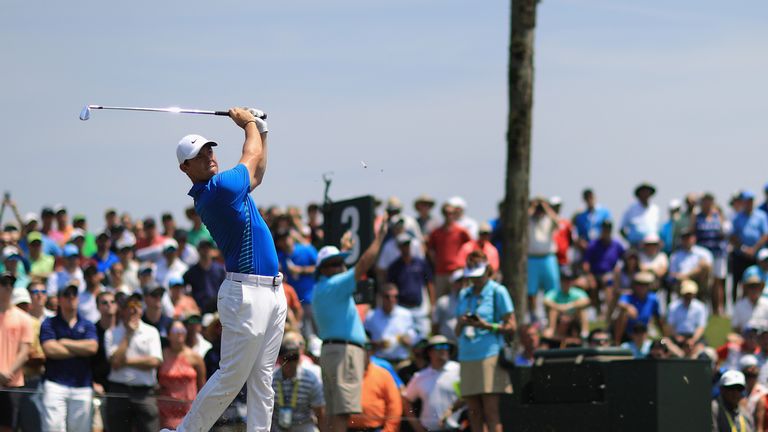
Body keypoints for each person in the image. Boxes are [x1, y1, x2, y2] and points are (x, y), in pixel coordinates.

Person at [172, 107, 287, 432]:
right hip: (246, 293)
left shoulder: (226, 187)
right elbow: (250, 157)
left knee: (262, 378)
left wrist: (262, 130)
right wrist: (248, 123)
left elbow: (257, 173)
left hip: (272, 291)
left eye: (209, 150)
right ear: (185, 167)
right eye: (198, 155)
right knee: (231, 378)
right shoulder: (219, 189)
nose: (208, 156)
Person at [312, 222, 387, 432]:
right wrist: (380, 237)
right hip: (343, 353)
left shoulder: (323, 287)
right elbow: (363, 264)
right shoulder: (335, 285)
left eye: (340, 263)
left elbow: (343, 272)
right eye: (334, 263)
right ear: (323, 269)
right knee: (341, 413)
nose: (339, 267)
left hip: (332, 352)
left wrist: (344, 252)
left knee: (333, 412)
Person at [454, 259, 516, 432]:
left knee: (491, 412)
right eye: (472, 276)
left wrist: (486, 326)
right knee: (474, 413)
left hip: (490, 355)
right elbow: (457, 332)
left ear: (487, 271)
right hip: (466, 355)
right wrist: (462, 322)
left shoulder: (498, 291)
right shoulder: (464, 294)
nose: (475, 280)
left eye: (478, 276)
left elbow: (512, 326)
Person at [39, 283, 99, 432]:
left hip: (82, 385)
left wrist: (65, 342)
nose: (71, 298)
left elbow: (92, 348)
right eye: (66, 295)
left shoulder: (88, 324)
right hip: (55, 384)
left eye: (74, 295)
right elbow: (50, 349)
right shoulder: (49, 323)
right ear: (59, 300)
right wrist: (80, 350)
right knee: (52, 428)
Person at [403, 335, 462, 432]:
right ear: (429, 352)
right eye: (438, 347)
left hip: (458, 428)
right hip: (429, 429)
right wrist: (416, 426)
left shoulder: (459, 370)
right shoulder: (420, 376)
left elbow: (469, 396)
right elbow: (406, 400)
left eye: (446, 346)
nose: (443, 350)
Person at [158, 320, 206, 430]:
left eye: (182, 330)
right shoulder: (162, 355)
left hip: (189, 409)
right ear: (168, 335)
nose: (180, 333)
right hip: (165, 411)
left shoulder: (195, 358)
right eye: (176, 330)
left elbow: (202, 386)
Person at [0, 273, 33, 432]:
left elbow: (24, 351)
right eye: (3, 283)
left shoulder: (24, 318)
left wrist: (7, 373)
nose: (8, 287)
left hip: (12, 383)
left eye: (11, 284)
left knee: (9, 427)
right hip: (7, 379)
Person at [271, 338, 325, 432]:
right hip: (277, 426)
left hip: (304, 425)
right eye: (287, 358)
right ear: (279, 360)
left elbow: (319, 412)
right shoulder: (271, 379)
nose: (292, 363)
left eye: (294, 357)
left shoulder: (311, 379)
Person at [347, 341, 402, 432]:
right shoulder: (344, 375)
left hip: (376, 429)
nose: (362, 353)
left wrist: (389, 430)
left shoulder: (383, 374)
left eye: (367, 349)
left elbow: (394, 405)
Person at [387, 233, 434, 337]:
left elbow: (429, 283)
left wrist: (432, 304)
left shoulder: (420, 263)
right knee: (403, 338)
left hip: (419, 309)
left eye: (407, 244)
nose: (406, 247)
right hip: (401, 309)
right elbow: (390, 288)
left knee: (423, 338)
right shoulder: (394, 267)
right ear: (399, 247)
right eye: (403, 245)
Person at [364, 284, 422, 365]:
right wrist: (376, 344)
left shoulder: (406, 314)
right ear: (381, 297)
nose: (391, 299)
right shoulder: (371, 316)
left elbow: (415, 337)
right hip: (380, 362)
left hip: (402, 362)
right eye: (387, 297)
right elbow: (365, 340)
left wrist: (408, 340)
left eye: (395, 296)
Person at [731, 190, 768, 304]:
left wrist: (754, 249)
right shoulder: (737, 217)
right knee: (738, 282)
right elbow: (733, 236)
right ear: (743, 202)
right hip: (740, 255)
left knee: (755, 280)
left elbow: (765, 234)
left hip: (756, 255)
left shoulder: (761, 215)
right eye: (747, 201)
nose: (749, 203)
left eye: (751, 201)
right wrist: (744, 248)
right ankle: (737, 306)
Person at [527, 196, 560, 321]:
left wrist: (546, 206)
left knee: (552, 290)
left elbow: (558, 222)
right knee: (531, 291)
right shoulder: (529, 220)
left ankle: (550, 316)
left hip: (548, 258)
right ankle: (533, 317)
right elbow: (522, 221)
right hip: (532, 259)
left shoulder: (548, 219)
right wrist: (533, 206)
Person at [695, 193, 729, 315]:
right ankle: (704, 308)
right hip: (703, 253)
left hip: (718, 253)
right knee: (704, 281)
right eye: (705, 201)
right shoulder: (697, 217)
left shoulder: (718, 215)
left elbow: (724, 232)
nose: (707, 203)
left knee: (718, 282)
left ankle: (718, 308)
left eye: (709, 201)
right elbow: (693, 232)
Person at [428, 203, 471, 298]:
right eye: (446, 213)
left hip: (456, 271)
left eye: (451, 213)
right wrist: (436, 262)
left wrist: (463, 263)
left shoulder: (461, 231)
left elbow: (470, 247)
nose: (448, 215)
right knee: (440, 300)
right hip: (440, 272)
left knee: (458, 298)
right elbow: (430, 249)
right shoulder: (436, 232)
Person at [582, 219, 624, 316]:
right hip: (594, 274)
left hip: (610, 275)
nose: (606, 232)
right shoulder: (593, 244)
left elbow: (626, 258)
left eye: (608, 229)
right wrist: (590, 276)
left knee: (608, 282)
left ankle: (608, 313)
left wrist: (617, 271)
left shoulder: (616, 245)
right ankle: (597, 311)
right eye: (604, 229)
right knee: (586, 285)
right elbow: (586, 264)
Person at [613, 272, 664, 345]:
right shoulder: (628, 296)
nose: (642, 287)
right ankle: (617, 342)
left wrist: (664, 335)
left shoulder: (653, 299)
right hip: (627, 332)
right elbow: (620, 303)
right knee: (623, 314)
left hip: (643, 331)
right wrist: (628, 307)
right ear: (634, 285)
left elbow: (658, 318)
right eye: (639, 284)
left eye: (645, 284)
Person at [543, 269, 590, 340]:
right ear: (560, 281)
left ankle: (585, 332)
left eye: (568, 280)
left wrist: (569, 306)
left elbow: (586, 301)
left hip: (573, 316)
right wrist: (559, 307)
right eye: (564, 280)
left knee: (582, 310)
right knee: (553, 311)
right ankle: (551, 329)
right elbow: (546, 301)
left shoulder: (577, 292)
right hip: (559, 316)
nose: (566, 283)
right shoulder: (554, 292)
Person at [668, 229, 713, 305]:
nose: (687, 240)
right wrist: (684, 277)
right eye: (684, 238)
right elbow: (672, 274)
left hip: (699, 282)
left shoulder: (704, 253)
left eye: (689, 238)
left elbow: (707, 267)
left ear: (694, 238)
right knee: (684, 283)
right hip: (682, 282)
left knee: (705, 268)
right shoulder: (675, 256)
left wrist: (688, 275)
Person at [183, 240, 226, 314]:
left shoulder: (220, 269)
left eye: (208, 248)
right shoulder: (191, 272)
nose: (206, 250)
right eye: (203, 248)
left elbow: (226, 289)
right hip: (199, 309)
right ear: (198, 250)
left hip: (218, 309)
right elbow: (183, 290)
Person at [667, 280, 708, 345]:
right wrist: (676, 336)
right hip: (678, 335)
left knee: (702, 345)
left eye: (690, 294)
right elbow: (671, 325)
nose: (688, 296)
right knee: (666, 342)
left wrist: (694, 339)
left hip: (694, 335)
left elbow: (701, 326)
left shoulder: (700, 307)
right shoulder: (673, 306)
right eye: (687, 294)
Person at [620, 182, 661, 247]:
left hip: (652, 246)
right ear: (639, 194)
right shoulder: (631, 209)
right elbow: (621, 229)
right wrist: (630, 239)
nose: (645, 194)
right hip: (636, 246)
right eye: (643, 192)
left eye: (647, 192)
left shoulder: (655, 209)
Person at [431, 269, 464, 342]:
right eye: (459, 281)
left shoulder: (472, 301)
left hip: (466, 343)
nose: (462, 284)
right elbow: (435, 324)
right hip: (447, 344)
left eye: (464, 281)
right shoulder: (442, 301)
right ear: (452, 283)